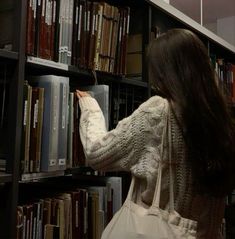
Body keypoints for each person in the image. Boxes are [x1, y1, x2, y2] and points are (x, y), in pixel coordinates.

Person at [76, 28, 235, 238]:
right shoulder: (221, 118)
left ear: (165, 72)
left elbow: (97, 154)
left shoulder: (159, 113)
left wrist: (90, 108)